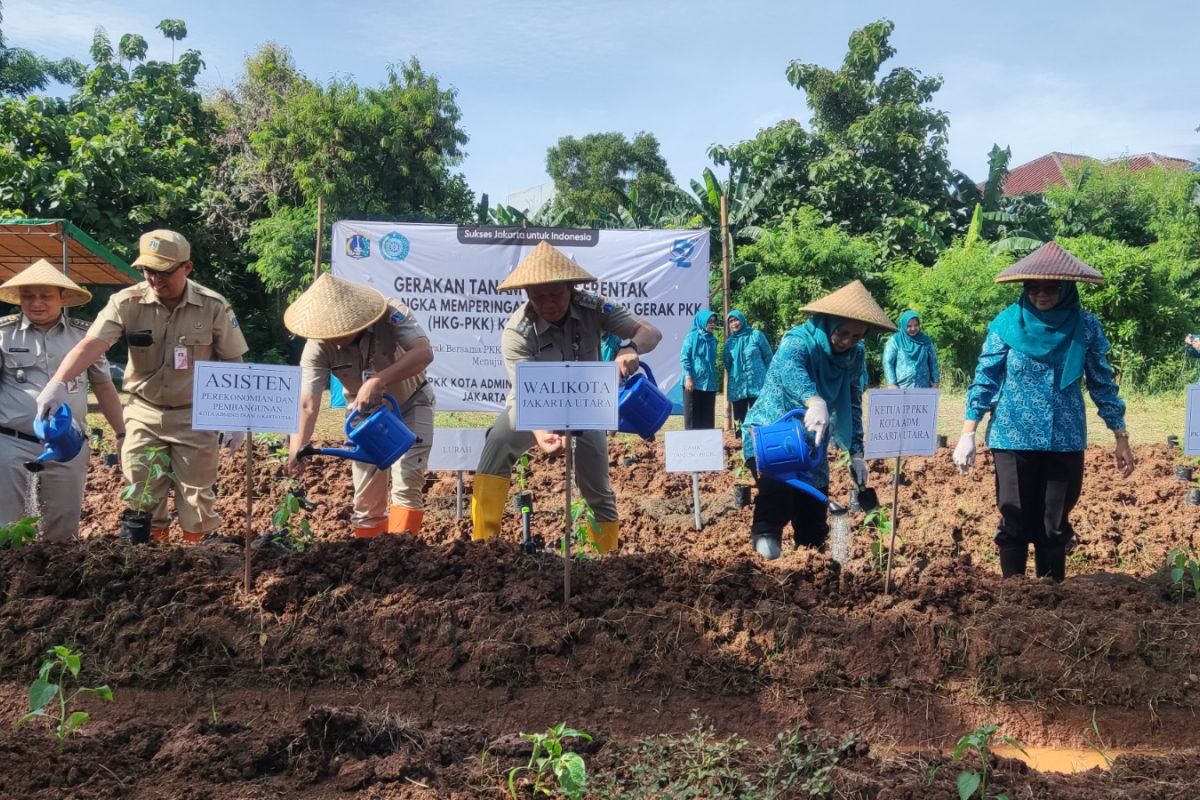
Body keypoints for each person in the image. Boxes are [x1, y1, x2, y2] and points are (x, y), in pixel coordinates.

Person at [37, 230, 247, 543]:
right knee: (141, 494)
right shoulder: (126, 302)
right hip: (143, 413)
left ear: (186, 268)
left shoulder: (212, 306)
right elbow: (92, 344)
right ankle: (148, 565)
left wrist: (235, 416)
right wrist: (58, 381)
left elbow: (232, 361)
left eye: (164, 272)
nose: (154, 279)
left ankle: (198, 565)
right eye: (148, 271)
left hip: (195, 416)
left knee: (197, 497)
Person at [952, 242, 1134, 582]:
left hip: (1064, 438)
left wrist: (1120, 435)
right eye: (1033, 288)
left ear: (1066, 289)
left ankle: (1052, 598)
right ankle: (1014, 597)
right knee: (1014, 517)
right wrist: (968, 432)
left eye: (1051, 287)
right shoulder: (1007, 324)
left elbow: (1102, 382)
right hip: (1013, 435)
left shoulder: (1086, 327)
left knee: (1054, 522)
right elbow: (984, 380)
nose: (1041, 294)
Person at [471, 241, 662, 553]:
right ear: (527, 295)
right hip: (533, 401)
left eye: (555, 294)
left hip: (585, 403)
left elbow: (651, 333)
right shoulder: (517, 331)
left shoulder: (594, 307)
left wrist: (631, 348)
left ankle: (604, 558)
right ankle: (483, 546)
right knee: (498, 442)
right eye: (538, 296)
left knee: (598, 486)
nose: (547, 304)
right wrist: (541, 431)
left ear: (571, 288)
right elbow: (524, 392)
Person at [742, 281, 896, 559]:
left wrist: (857, 452)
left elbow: (852, 400)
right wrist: (814, 400)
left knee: (812, 511)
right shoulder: (798, 341)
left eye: (857, 336)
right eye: (842, 332)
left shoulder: (854, 355)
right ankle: (766, 573)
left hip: (812, 441)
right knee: (776, 500)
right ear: (827, 324)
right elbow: (789, 372)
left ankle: (815, 573)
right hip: (773, 434)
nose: (848, 341)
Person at [285, 273, 434, 537]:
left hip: (411, 403)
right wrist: (297, 449)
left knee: (407, 481)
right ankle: (369, 552)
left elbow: (423, 353)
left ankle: (405, 555)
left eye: (342, 331)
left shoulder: (390, 313)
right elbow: (308, 403)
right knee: (366, 498)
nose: (336, 338)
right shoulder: (317, 347)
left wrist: (380, 380)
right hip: (364, 418)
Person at [0, 260, 125, 542]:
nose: (37, 303)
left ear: (62, 298)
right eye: (29, 296)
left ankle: (54, 584)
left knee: (62, 530)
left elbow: (104, 387)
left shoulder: (84, 337)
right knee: (7, 529)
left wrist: (122, 432)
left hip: (68, 446)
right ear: (20, 299)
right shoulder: (3, 334)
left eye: (46, 296)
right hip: (12, 444)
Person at [723, 310, 772, 437]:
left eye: (736, 320)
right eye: (731, 321)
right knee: (739, 419)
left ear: (742, 320)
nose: (734, 323)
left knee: (759, 417)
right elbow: (727, 363)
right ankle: (740, 447)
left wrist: (767, 377)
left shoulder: (756, 335)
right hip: (738, 387)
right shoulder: (729, 343)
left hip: (758, 384)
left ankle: (761, 445)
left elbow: (768, 357)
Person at [883, 310, 941, 388]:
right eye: (909, 326)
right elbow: (888, 362)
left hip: (923, 387)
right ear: (903, 325)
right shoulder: (895, 341)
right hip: (901, 388)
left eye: (916, 325)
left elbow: (933, 362)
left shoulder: (925, 340)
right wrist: (892, 383)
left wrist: (935, 381)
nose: (913, 328)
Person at [680, 310, 718, 429]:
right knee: (692, 417)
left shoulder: (713, 340)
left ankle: (706, 446)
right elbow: (684, 357)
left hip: (709, 384)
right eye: (709, 321)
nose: (712, 324)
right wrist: (688, 377)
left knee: (707, 418)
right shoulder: (691, 337)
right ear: (701, 322)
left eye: (713, 322)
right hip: (693, 383)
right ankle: (691, 446)